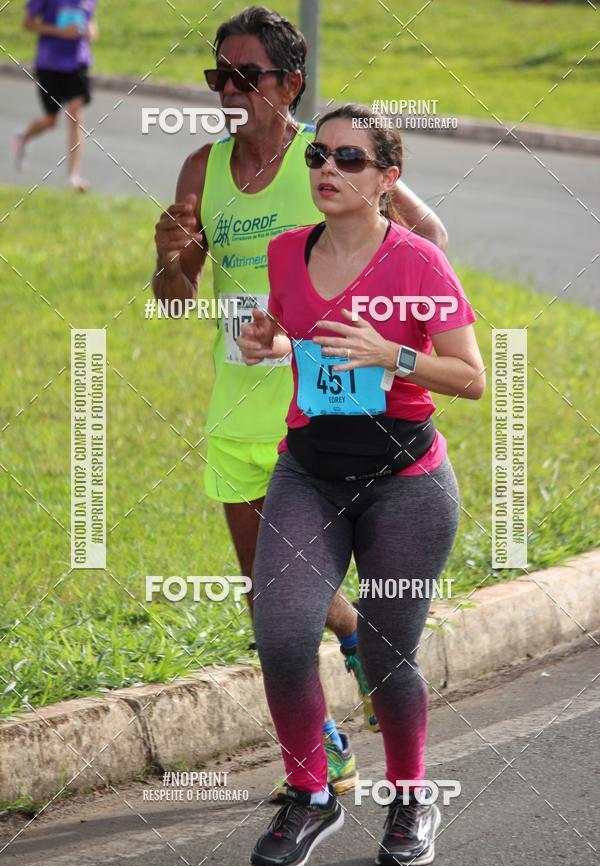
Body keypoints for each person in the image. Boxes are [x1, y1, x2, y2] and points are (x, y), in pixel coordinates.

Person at [151, 6, 449, 801]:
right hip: (236, 405)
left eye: (247, 77)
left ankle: (334, 747)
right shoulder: (202, 170)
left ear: (291, 85)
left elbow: (429, 241)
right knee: (271, 599)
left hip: (322, 414)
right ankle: (351, 664)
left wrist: (369, 333)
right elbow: (175, 300)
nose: (229, 91)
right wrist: (170, 260)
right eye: (219, 76)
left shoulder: (331, 157)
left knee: (287, 592)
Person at [242, 104, 485, 866]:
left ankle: (411, 796)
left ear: (387, 178)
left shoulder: (418, 262)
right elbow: (300, 336)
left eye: (350, 159)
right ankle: (312, 794)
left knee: (385, 653)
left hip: (406, 485)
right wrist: (269, 339)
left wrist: (393, 355)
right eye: (318, 155)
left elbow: (472, 377)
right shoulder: (286, 252)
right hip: (309, 474)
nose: (327, 169)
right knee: (283, 635)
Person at [13, 0, 98, 191]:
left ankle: (73, 176)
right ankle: (23, 137)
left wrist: (91, 32)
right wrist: (60, 32)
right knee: (51, 120)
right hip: (50, 62)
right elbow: (28, 23)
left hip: (78, 62)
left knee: (76, 113)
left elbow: (91, 22)